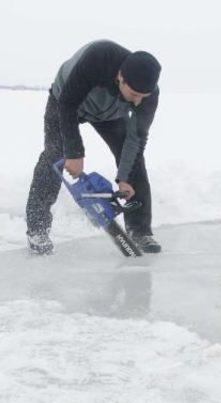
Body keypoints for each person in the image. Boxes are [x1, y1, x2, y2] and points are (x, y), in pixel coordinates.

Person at [25, 40, 162, 255]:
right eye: (134, 95)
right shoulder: (99, 57)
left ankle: (140, 230)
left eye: (142, 97)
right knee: (54, 156)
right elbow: (68, 104)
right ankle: (37, 229)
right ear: (120, 78)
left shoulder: (149, 95)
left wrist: (124, 177)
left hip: (109, 114)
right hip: (65, 101)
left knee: (135, 160)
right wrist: (74, 153)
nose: (137, 103)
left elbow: (136, 139)